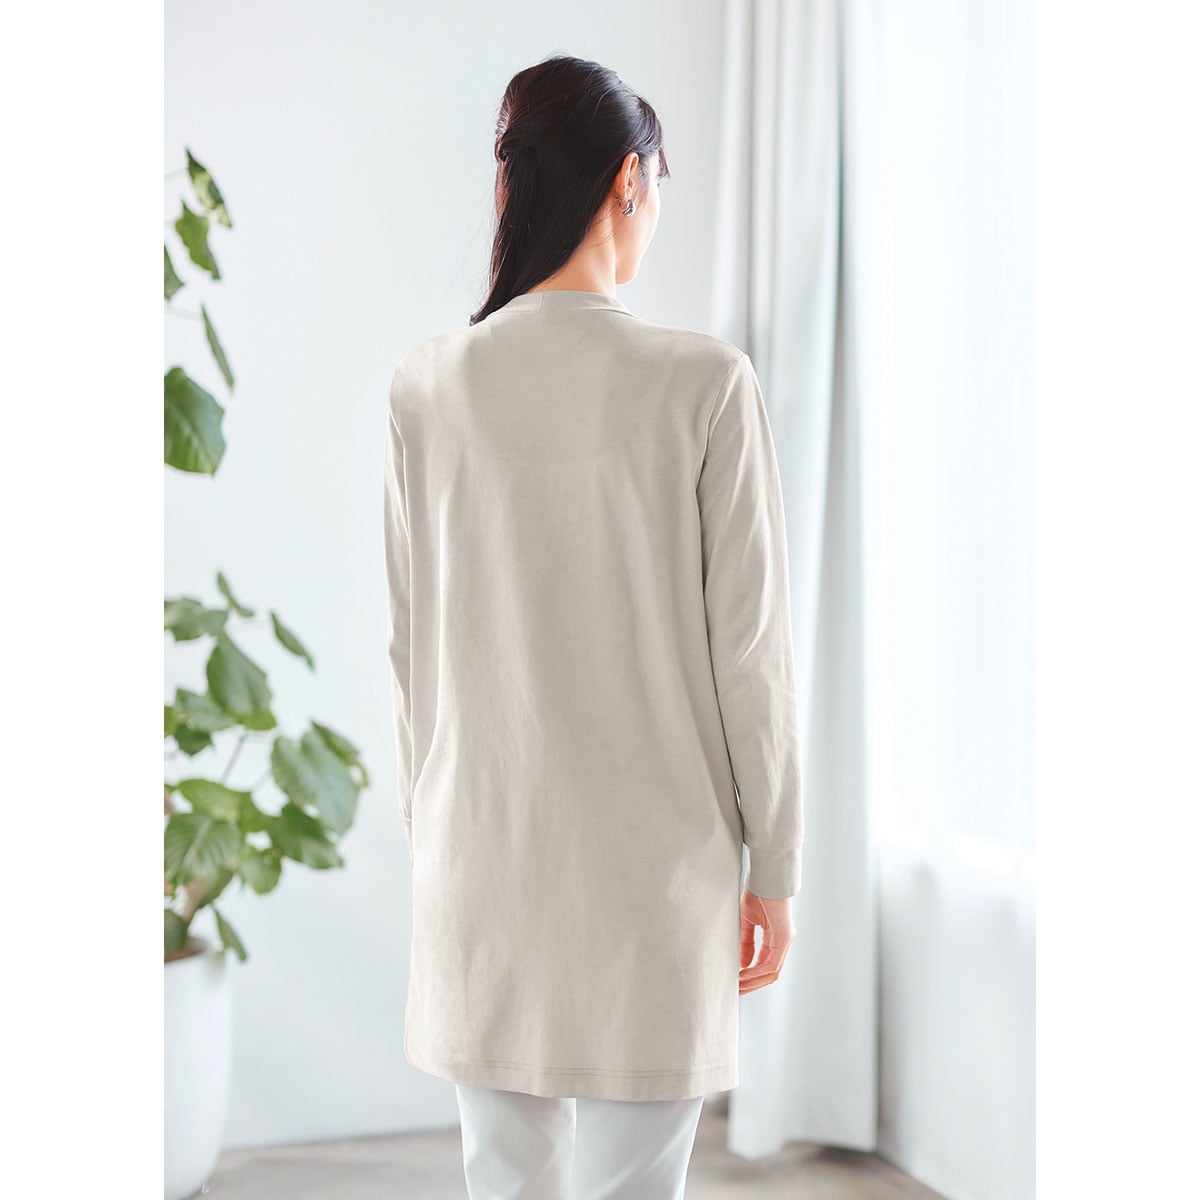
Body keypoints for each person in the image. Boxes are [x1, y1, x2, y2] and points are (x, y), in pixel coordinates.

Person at [383, 53, 805, 1200]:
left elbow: (410, 650)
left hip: (480, 856)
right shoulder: (705, 385)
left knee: (505, 1180)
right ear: (630, 179)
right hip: (654, 875)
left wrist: (435, 832)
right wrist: (775, 862)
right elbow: (752, 659)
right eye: (659, 181)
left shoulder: (426, 386)